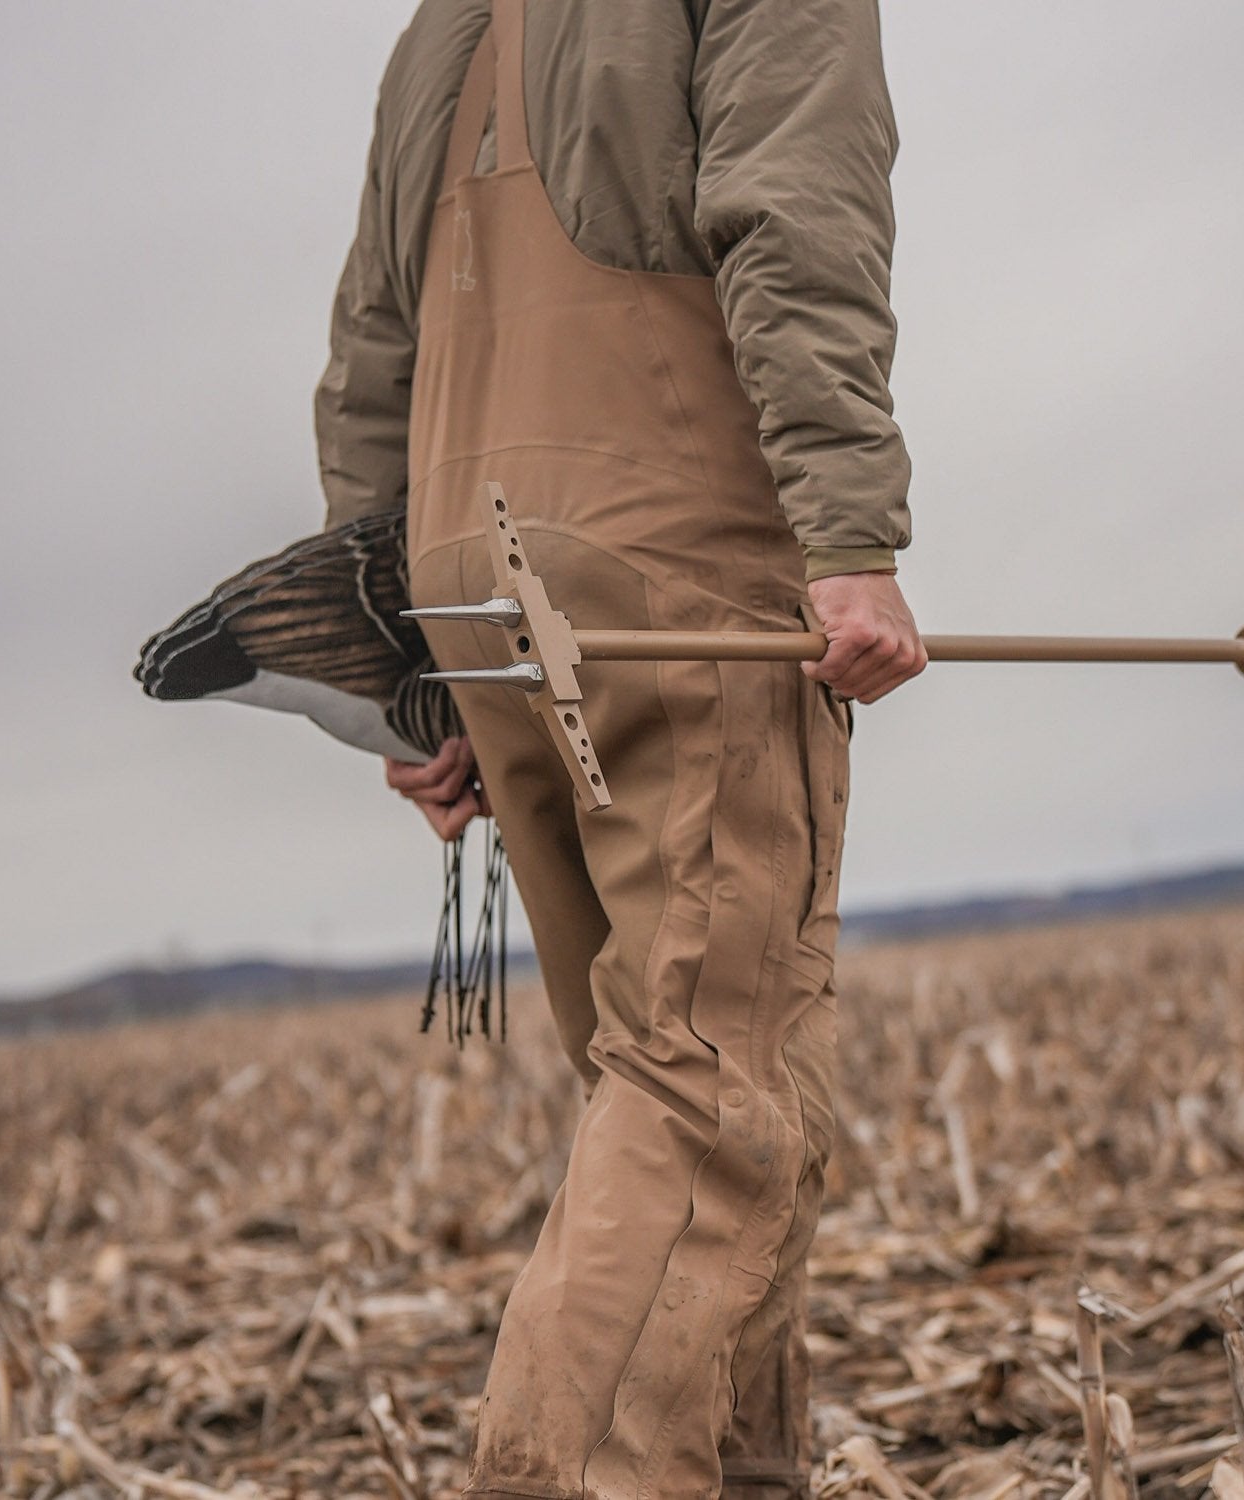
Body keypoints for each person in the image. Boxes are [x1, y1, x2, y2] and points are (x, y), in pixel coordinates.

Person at [315, 2, 924, 1494]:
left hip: (470, 581)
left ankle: (738, 1469)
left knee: (690, 1072)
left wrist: (410, 660)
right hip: (669, 576)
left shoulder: (441, 25)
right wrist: (849, 533)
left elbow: (368, 356)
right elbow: (798, 210)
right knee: (707, 1083)